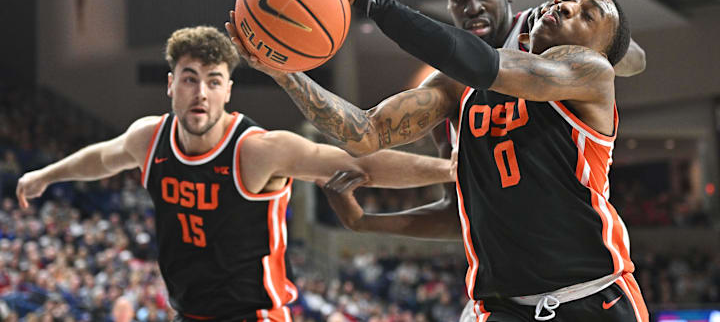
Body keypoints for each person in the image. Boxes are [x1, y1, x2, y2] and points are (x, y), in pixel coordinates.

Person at [228, 0, 650, 321]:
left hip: (593, 297)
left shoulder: (587, 68)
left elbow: (624, 57)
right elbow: (366, 132)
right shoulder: (455, 84)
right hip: (505, 304)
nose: (471, 6)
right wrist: (284, 73)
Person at [15, 26, 454, 322]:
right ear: (170, 85)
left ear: (228, 89)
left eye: (212, 80)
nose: (200, 93)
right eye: (189, 79)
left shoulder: (257, 150)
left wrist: (450, 169)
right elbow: (103, 158)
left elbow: (361, 166)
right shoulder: (149, 139)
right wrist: (46, 176)